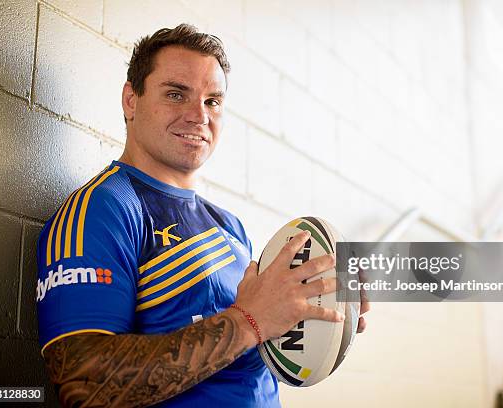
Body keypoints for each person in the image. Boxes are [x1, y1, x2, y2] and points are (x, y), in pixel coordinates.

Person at [36, 24, 367, 407]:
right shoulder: (104, 209)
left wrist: (317, 310)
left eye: (212, 101)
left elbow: (245, 356)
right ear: (131, 100)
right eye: (176, 94)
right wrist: (248, 319)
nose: (198, 115)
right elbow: (82, 386)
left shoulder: (230, 226)